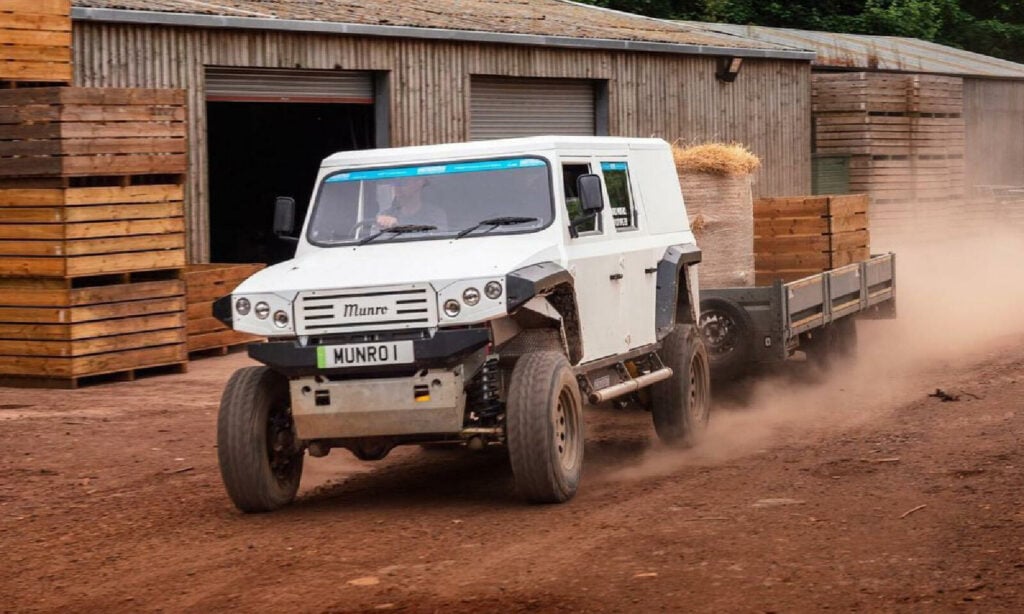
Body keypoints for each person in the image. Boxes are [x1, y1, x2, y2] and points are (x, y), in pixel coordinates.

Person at [375, 176, 447, 229]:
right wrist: (382, 226)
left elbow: (439, 243)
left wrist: (397, 228)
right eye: (395, 184)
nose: (397, 189)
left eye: (403, 183)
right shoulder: (386, 215)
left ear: (419, 183)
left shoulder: (435, 215)